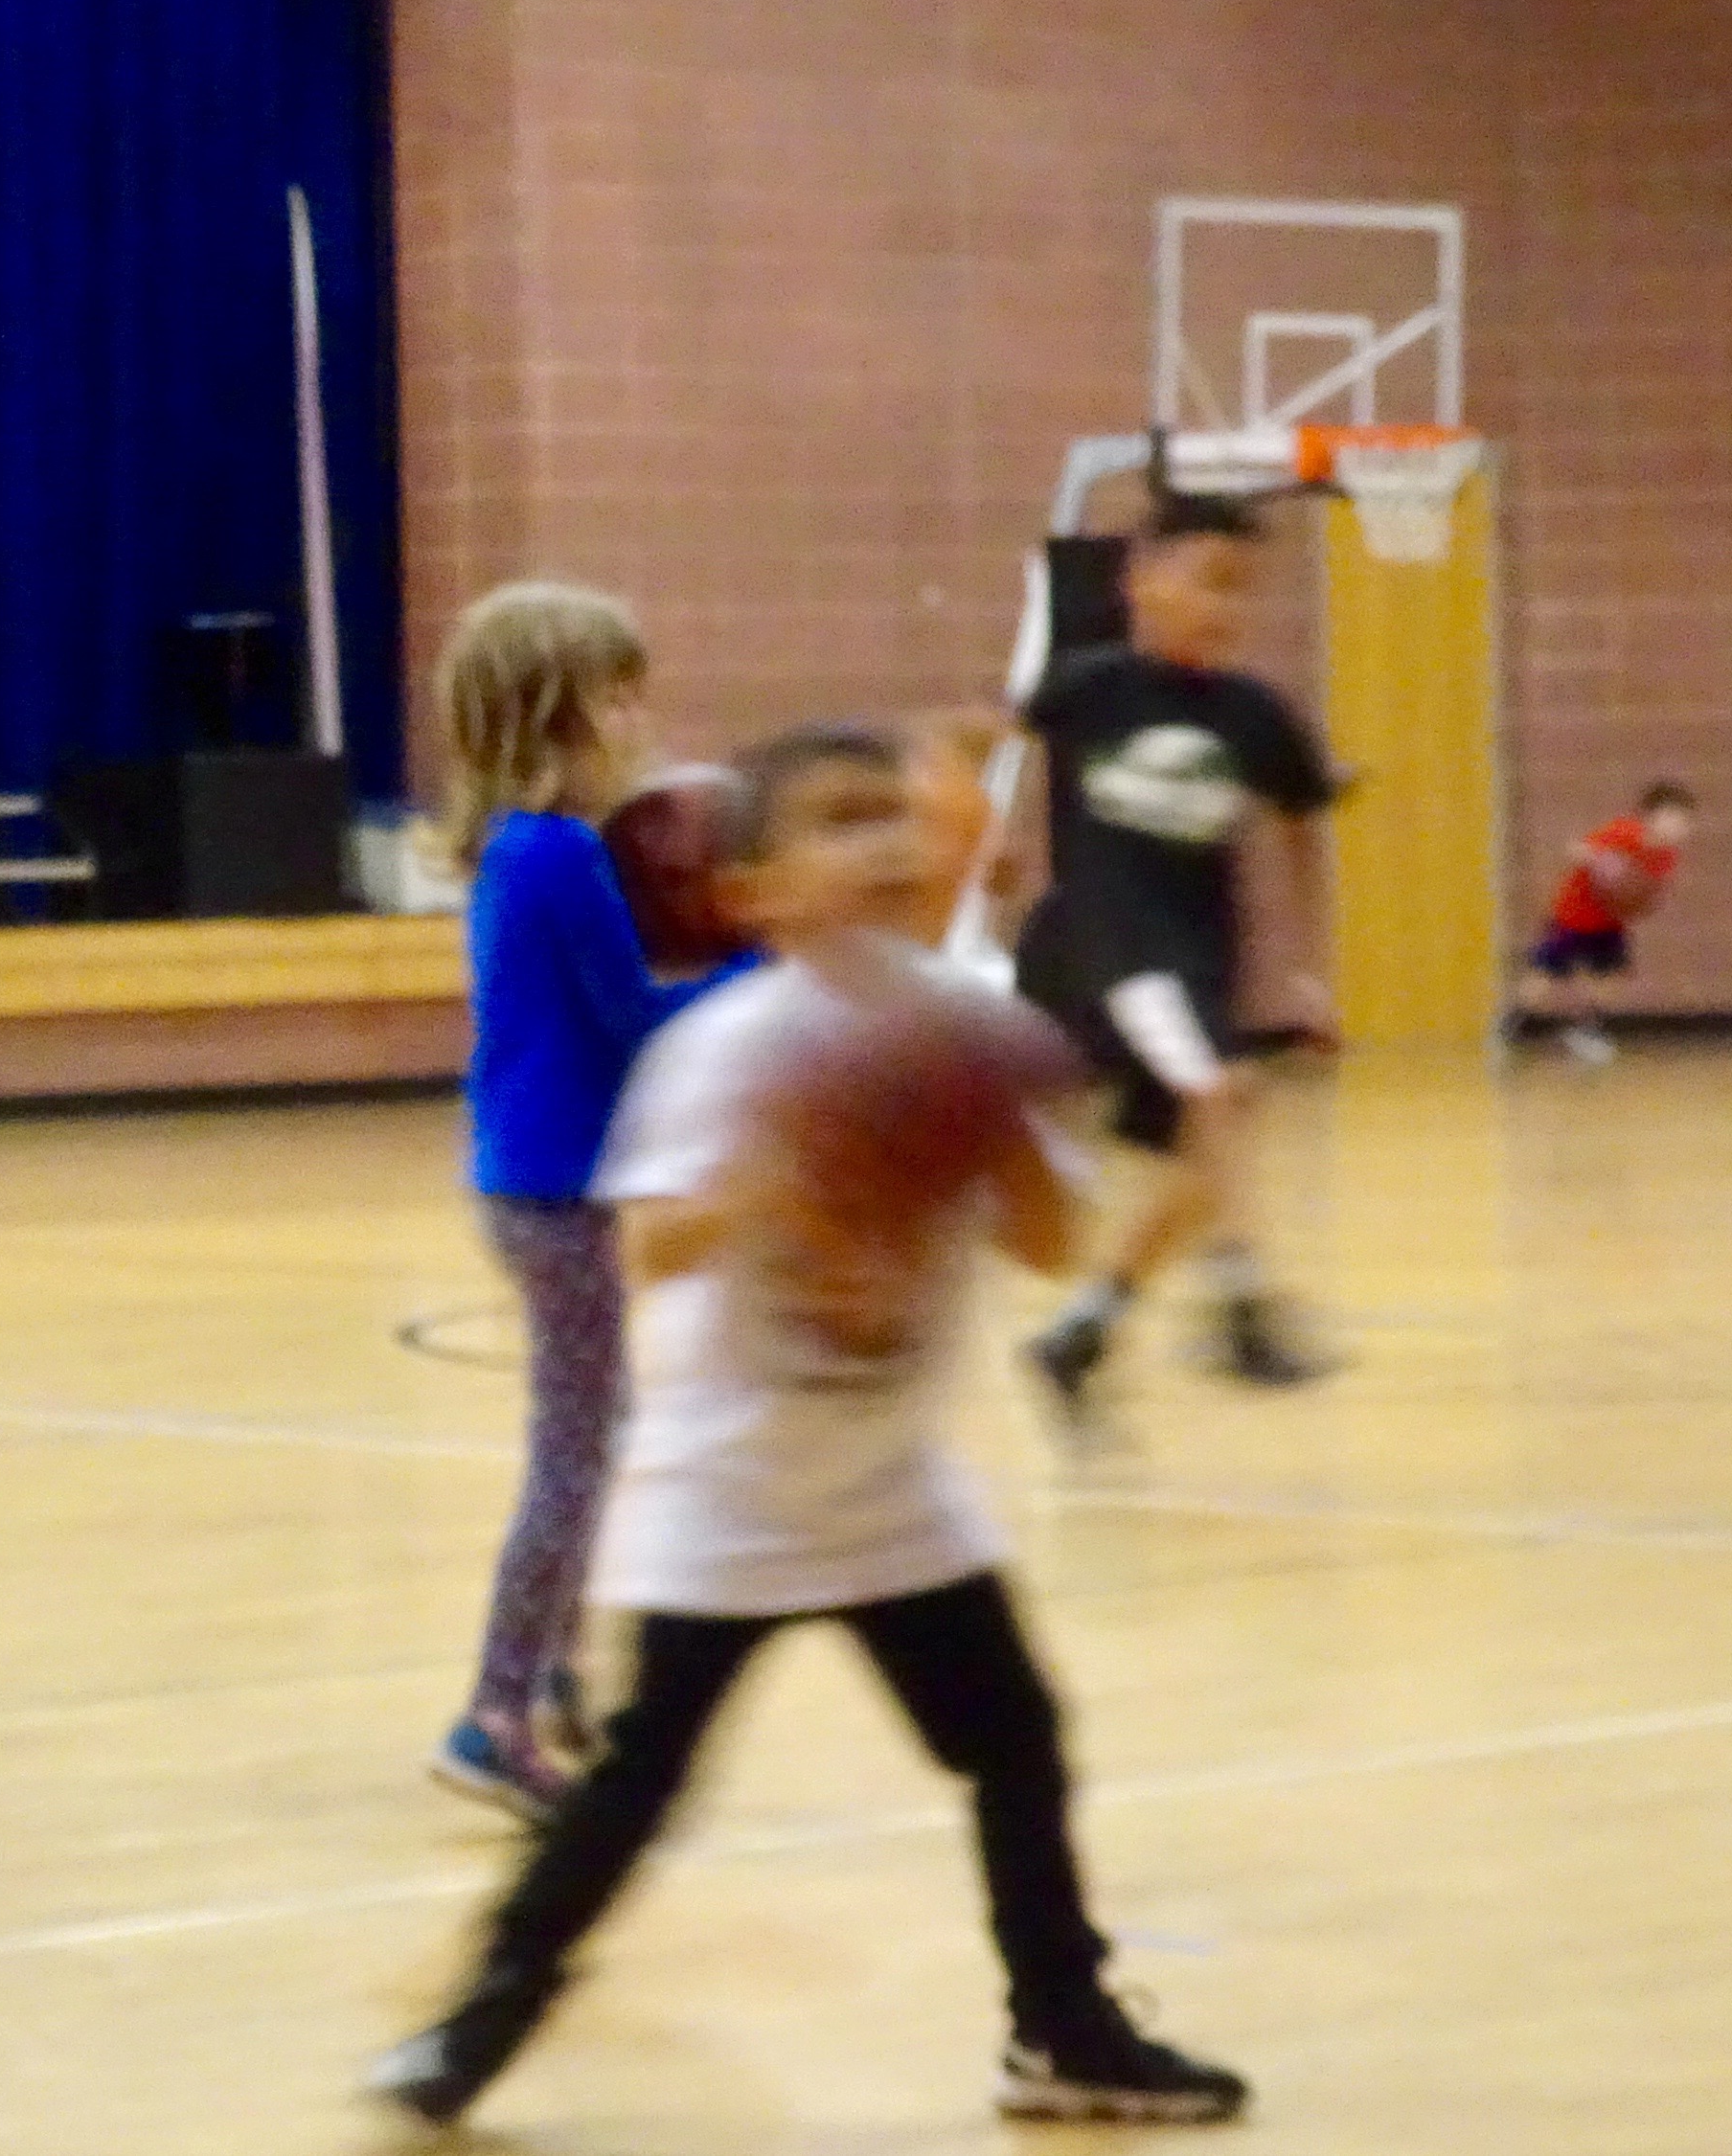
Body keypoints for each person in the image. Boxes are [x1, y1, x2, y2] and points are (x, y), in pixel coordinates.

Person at [369, 724, 1249, 2133]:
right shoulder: (730, 1048)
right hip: (730, 1499)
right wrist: (775, 1173)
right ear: (752, 891)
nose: (881, 840)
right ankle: (480, 2022)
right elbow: (648, 1246)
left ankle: (1064, 2030)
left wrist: (1003, 1135)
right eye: (838, 819)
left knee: (1014, 1744)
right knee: (638, 1784)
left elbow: (1045, 1244)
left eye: (889, 813)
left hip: (893, 1493)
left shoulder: (974, 1030)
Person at [427, 582, 741, 1818]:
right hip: (560, 1188)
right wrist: (765, 960)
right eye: (616, 695)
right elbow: (638, 1025)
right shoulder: (557, 854)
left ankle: (557, 1672)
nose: (637, 717)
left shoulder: (523, 847)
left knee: (597, 1432)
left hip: (535, 1178)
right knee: (574, 1452)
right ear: (556, 712)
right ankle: (494, 1715)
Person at [1007, 492, 1343, 1436]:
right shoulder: (1088, 687)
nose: (1224, 605)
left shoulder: (1254, 715)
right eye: (1207, 580)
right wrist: (1000, 851)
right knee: (1219, 1095)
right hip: (1107, 948)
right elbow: (1021, 758)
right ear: (1141, 580)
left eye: (1242, 589)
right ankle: (1240, 1309)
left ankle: (1081, 1333)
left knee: (1208, 1151)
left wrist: (1307, 972)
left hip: (1199, 960)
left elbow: (1302, 831)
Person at [1521, 782, 1696, 1066]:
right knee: (1545, 972)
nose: (1677, 827)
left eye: (1683, 822)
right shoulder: (1623, 833)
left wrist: (1637, 898)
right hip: (1574, 914)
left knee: (1612, 974)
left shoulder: (1666, 857)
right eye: (1672, 819)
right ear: (1651, 816)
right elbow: (1576, 850)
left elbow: (1644, 896)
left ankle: (1586, 1028)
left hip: (1609, 921)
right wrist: (1607, 864)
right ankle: (1512, 1026)